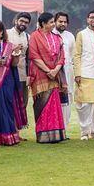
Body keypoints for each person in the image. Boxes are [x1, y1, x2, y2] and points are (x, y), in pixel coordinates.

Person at [28, 12, 67, 144]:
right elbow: (34, 56)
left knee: (54, 105)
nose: (53, 24)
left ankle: (56, 135)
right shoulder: (34, 36)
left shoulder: (57, 37)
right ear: (43, 24)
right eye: (51, 22)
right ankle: (44, 136)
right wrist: (48, 70)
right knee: (42, 105)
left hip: (54, 76)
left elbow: (62, 56)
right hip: (40, 76)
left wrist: (55, 70)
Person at [74, 9, 94, 140]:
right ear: (87, 19)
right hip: (85, 73)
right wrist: (77, 73)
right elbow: (77, 55)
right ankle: (84, 132)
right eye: (92, 17)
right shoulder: (81, 34)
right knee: (85, 105)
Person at [6, 12, 32, 132]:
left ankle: (17, 131)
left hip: (22, 75)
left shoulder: (28, 37)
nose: (23, 24)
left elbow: (29, 59)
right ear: (16, 20)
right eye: (21, 21)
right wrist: (13, 49)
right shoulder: (6, 33)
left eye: (26, 22)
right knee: (9, 102)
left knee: (22, 102)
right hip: (7, 74)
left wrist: (29, 75)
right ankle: (8, 130)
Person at [55, 12, 76, 134]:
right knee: (54, 100)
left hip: (67, 72)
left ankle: (64, 130)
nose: (62, 24)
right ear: (55, 21)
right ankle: (55, 129)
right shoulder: (50, 34)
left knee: (67, 101)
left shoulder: (70, 36)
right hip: (53, 73)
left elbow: (73, 56)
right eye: (60, 21)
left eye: (65, 22)